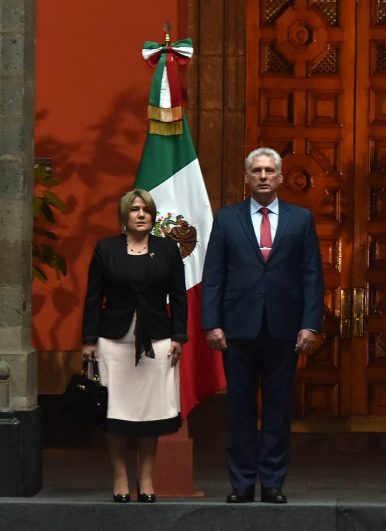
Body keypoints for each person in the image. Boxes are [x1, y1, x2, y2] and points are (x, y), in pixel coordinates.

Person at [202, 147, 324, 504]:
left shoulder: (301, 219)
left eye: (270, 170)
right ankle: (241, 483)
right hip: (237, 329)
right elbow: (213, 276)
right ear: (247, 178)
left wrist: (310, 324)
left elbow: (313, 276)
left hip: (284, 329)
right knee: (239, 409)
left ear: (281, 176)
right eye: (257, 170)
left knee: (277, 409)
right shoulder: (227, 219)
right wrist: (212, 323)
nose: (264, 176)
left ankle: (272, 482)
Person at [81, 189, 187, 503]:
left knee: (149, 413)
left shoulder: (168, 250)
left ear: (153, 217)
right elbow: (92, 297)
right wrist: (88, 340)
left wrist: (180, 336)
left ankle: (147, 479)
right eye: (134, 209)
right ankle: (119, 478)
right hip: (113, 341)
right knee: (117, 413)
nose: (141, 214)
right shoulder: (106, 248)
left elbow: (179, 298)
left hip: (156, 340)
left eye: (147, 210)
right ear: (124, 215)